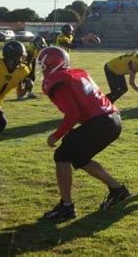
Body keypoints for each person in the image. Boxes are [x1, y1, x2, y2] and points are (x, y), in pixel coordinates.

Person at [38, 47, 130, 221]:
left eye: (43, 65)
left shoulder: (58, 81)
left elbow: (73, 113)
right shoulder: (77, 74)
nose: (42, 69)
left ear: (51, 64)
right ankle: (118, 190)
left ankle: (66, 207)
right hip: (113, 119)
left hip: (100, 122)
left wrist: (56, 135)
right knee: (78, 158)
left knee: (62, 155)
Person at [17, 36, 47, 100]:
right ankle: (20, 94)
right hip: (26, 62)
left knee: (32, 76)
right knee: (25, 78)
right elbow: (27, 59)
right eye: (41, 43)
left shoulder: (37, 47)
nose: (42, 45)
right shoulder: (31, 49)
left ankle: (29, 92)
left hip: (32, 60)